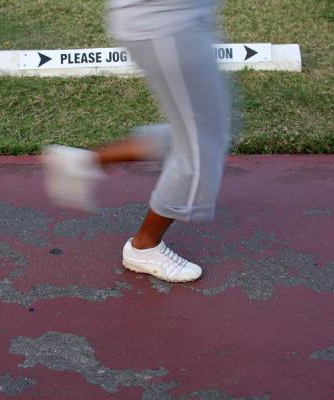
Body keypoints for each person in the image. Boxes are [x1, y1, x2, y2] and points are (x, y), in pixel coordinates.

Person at [43, 0, 231, 283]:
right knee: (202, 145)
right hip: (167, 23)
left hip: (177, 19)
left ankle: (83, 162)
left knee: (199, 134)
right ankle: (144, 247)